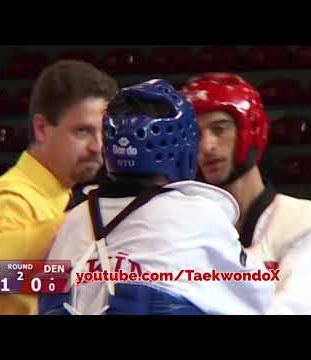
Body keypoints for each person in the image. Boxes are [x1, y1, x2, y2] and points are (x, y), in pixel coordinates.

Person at [39, 79, 276, 315]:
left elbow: (42, 297)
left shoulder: (73, 219)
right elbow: (259, 296)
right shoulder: (195, 214)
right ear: (184, 148)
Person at [0, 60, 118, 315]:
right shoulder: (8, 197)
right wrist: (83, 222)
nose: (97, 146)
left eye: (103, 132)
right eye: (82, 131)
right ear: (41, 128)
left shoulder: (66, 196)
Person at [182, 73, 311, 314]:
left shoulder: (304, 221)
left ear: (250, 130)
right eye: (196, 135)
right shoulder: (184, 224)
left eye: (219, 129)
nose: (206, 146)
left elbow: (297, 309)